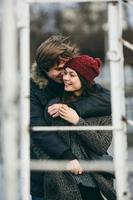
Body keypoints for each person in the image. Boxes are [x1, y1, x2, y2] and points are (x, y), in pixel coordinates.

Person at [30, 35, 111, 200]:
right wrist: (65, 156)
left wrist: (71, 110)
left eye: (67, 70)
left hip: (87, 173)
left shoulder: (76, 81)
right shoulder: (33, 89)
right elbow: (38, 130)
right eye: (59, 70)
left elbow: (110, 99)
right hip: (49, 171)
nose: (64, 76)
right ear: (44, 69)